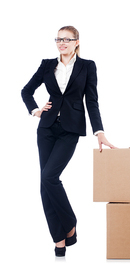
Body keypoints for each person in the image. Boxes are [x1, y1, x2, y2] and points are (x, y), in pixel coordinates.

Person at [21, 26, 116, 257]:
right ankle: (59, 239)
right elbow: (26, 91)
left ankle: (70, 223)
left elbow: (91, 101)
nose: (61, 43)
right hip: (46, 129)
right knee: (45, 182)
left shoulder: (87, 66)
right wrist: (35, 110)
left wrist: (99, 131)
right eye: (58, 39)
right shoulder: (47, 64)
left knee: (49, 177)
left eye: (66, 39)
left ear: (76, 42)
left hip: (70, 130)